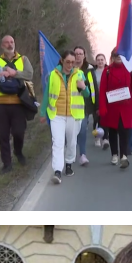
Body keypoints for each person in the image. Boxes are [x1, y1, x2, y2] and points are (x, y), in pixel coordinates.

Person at [44, 50, 93, 185]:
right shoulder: (53, 74)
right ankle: (57, 171)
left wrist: (83, 87)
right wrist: (43, 113)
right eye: (68, 62)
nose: (70, 64)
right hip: (57, 115)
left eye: (72, 62)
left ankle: (69, 164)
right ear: (62, 60)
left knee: (71, 142)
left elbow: (87, 95)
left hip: (74, 116)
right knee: (58, 143)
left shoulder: (79, 74)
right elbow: (47, 95)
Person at [0, 34, 34, 172]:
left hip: (18, 102)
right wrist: (2, 71)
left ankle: (18, 152)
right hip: (0, 104)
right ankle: (7, 164)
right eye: (7, 42)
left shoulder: (23, 59)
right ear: (2, 45)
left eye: (12, 41)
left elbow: (29, 74)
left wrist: (14, 73)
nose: (10, 44)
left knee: (19, 132)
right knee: (3, 135)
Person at [97, 49, 132, 169]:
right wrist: (102, 107)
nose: (118, 57)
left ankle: (124, 156)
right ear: (112, 57)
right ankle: (114, 154)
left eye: (120, 55)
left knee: (124, 131)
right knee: (112, 131)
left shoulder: (130, 70)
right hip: (111, 107)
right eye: (115, 55)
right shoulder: (107, 70)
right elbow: (102, 91)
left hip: (126, 107)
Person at [73, 46, 99, 167]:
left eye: (80, 54)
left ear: (84, 55)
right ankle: (71, 153)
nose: (78, 56)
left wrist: (96, 106)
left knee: (82, 129)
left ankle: (82, 155)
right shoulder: (68, 68)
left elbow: (95, 89)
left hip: (85, 105)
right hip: (69, 106)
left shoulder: (90, 70)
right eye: (76, 54)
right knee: (70, 132)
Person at [92, 53, 109, 149]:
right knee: (96, 119)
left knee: (105, 119)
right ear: (96, 61)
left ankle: (105, 139)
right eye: (98, 60)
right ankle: (97, 137)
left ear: (105, 61)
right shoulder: (93, 72)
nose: (100, 61)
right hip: (95, 99)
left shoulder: (108, 71)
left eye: (102, 59)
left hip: (106, 99)